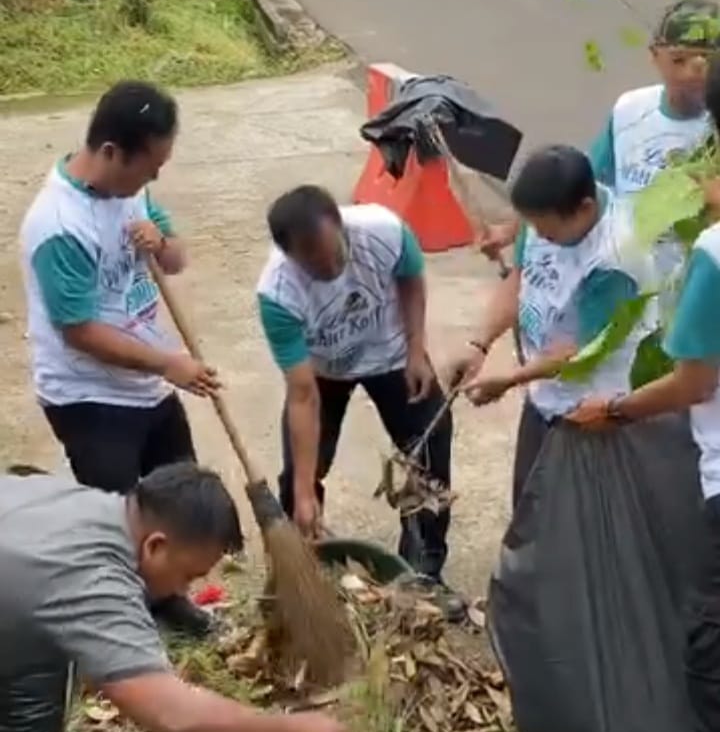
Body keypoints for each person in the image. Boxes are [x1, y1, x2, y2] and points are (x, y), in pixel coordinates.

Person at [0, 462, 345, 732]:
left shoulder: (87, 504)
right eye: (188, 577)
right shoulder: (95, 580)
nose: (184, 593)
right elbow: (173, 716)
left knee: (45, 650)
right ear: (156, 546)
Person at [19, 80, 223, 637]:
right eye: (150, 165)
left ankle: (169, 598)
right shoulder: (58, 226)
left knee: (176, 503)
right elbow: (79, 332)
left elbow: (177, 261)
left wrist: (161, 242)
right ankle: (119, 621)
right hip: (89, 397)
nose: (154, 177)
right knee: (119, 522)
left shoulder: (132, 191)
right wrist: (166, 364)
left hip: (146, 387)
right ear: (112, 152)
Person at [567, 54, 720, 732]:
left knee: (710, 652)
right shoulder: (627, 117)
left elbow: (692, 383)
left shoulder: (715, 253)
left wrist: (621, 408)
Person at [256, 185, 463, 620]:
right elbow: (302, 394)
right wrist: (304, 490)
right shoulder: (278, 294)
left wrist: (415, 349)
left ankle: (423, 572)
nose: (330, 268)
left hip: (390, 353)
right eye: (314, 264)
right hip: (323, 372)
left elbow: (411, 280)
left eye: (336, 254)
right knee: (300, 476)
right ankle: (304, 578)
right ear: (290, 256)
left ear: (342, 223)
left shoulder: (383, 230)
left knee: (430, 447)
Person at [451, 145, 644, 507]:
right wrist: (479, 344)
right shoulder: (546, 216)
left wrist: (509, 379)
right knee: (529, 505)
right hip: (545, 394)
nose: (539, 235)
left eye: (548, 231)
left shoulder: (615, 258)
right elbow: (521, 280)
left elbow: (575, 352)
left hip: (591, 409)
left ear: (584, 209)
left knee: (576, 519)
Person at [478, 0, 719, 276]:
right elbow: (581, 184)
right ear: (654, 56)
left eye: (707, 63)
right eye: (679, 60)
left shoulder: (714, 130)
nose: (693, 73)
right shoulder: (630, 111)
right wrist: (511, 231)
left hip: (692, 279)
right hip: (627, 280)